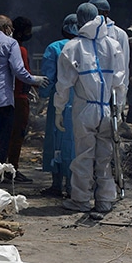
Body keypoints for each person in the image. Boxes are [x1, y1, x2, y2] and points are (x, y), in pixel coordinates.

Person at [50, 2, 125, 214]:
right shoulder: (112, 44)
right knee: (105, 157)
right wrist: (119, 108)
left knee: (83, 156)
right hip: (107, 110)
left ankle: (81, 200)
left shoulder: (73, 47)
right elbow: (120, 81)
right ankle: (104, 200)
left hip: (85, 109)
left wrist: (58, 109)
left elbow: (64, 84)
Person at [0, 15, 48, 164]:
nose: (12, 31)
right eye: (10, 28)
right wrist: (35, 79)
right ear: (6, 28)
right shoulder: (10, 43)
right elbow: (18, 70)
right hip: (1, 99)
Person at [40, 14, 79, 196]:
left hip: (59, 100)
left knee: (56, 140)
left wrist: (42, 95)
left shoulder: (54, 48)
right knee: (75, 143)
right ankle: (74, 186)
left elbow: (49, 78)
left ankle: (57, 185)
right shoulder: (86, 48)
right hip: (81, 101)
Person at [5, 16, 35, 181]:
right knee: (17, 134)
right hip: (19, 96)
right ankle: (12, 169)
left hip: (9, 96)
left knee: (9, 133)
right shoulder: (20, 49)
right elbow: (25, 73)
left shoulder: (8, 46)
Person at [90, 0, 130, 100]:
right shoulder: (87, 33)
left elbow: (124, 65)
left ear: (106, 13)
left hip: (112, 87)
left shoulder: (119, 34)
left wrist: (122, 93)